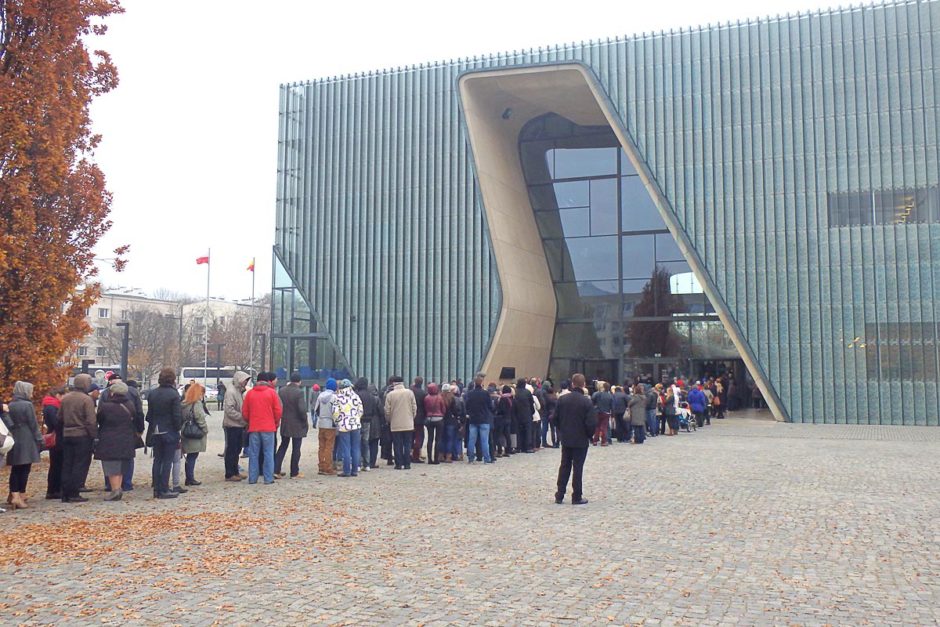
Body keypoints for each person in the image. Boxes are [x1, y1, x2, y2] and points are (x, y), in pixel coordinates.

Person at [93, 380, 142, 501]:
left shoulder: (106, 407)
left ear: (112, 393)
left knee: (111, 465)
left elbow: (99, 420)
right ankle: (118, 488)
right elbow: (137, 418)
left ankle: (115, 490)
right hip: (126, 438)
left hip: (109, 438)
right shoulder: (130, 405)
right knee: (121, 465)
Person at [552, 373, 596, 505]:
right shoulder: (587, 402)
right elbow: (591, 423)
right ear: (583, 385)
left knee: (564, 465)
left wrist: (562, 430)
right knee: (578, 468)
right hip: (581, 439)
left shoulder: (562, 400)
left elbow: (555, 419)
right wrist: (589, 435)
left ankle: (560, 494)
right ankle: (576, 495)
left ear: (572, 384)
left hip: (566, 438)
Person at [4, 381, 43, 510]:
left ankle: (14, 494)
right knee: (24, 468)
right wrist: (39, 439)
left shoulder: (11, 404)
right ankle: (19, 495)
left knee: (16, 468)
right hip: (26, 437)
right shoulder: (27, 405)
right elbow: (33, 424)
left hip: (14, 436)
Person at [145, 368, 182, 499]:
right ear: (173, 379)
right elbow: (177, 416)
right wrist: (178, 428)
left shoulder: (153, 393)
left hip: (155, 429)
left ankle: (156, 488)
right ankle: (164, 488)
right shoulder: (174, 394)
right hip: (169, 430)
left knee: (157, 460)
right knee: (167, 460)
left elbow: (148, 415)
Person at [60, 373, 98, 503]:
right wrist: (94, 436)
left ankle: (65, 492)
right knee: (79, 464)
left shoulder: (65, 398)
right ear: (86, 384)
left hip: (67, 434)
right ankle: (74, 492)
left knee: (67, 463)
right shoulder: (86, 399)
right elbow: (91, 421)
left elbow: (59, 417)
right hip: (82, 435)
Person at [243, 371, 283, 485]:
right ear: (267, 381)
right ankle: (268, 478)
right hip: (268, 428)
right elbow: (278, 411)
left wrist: (249, 421)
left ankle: (252, 478)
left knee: (254, 454)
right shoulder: (272, 393)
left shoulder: (250, 394)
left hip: (254, 427)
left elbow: (245, 412)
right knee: (268, 453)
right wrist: (275, 422)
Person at [274, 372, 308, 479]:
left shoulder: (282, 391)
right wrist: (304, 421)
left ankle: (276, 469)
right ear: (299, 381)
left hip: (285, 422)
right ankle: (294, 472)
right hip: (297, 423)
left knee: (283, 446)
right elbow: (302, 410)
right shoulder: (299, 393)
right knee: (296, 448)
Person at [222, 371, 250, 481]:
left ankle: (235, 471)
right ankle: (229, 473)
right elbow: (229, 410)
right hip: (232, 425)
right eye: (245, 380)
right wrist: (242, 418)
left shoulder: (237, 391)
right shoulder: (231, 392)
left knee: (237, 449)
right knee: (232, 450)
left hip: (238, 424)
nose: (246, 383)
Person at [384, 375, 417, 470]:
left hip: (395, 423)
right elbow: (414, 407)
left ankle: (398, 464)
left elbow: (387, 410)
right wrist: (411, 417)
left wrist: (389, 419)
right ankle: (407, 464)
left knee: (397, 444)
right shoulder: (409, 393)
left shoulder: (390, 394)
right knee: (407, 444)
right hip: (408, 423)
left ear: (393, 383)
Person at [180, 382, 209, 486]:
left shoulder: (184, 403)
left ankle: (189, 477)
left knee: (189, 455)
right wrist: (205, 429)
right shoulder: (196, 404)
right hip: (195, 432)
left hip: (186, 431)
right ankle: (190, 478)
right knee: (193, 455)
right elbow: (199, 418)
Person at [333, 379, 363, 477]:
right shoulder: (356, 396)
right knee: (355, 448)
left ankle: (346, 471)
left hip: (344, 425)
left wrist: (338, 422)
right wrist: (357, 419)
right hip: (355, 425)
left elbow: (335, 412)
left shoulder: (337, 397)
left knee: (346, 448)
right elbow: (361, 410)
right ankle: (354, 470)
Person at [42, 386, 66, 499]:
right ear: (58, 395)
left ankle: (54, 489)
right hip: (57, 438)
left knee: (56, 465)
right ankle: (54, 490)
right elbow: (56, 423)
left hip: (56, 437)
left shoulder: (50, 405)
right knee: (57, 465)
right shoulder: (52, 407)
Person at [464, 375, 494, 464]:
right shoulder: (486, 393)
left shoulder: (470, 393)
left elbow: (467, 406)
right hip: (484, 419)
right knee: (484, 440)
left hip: (473, 419)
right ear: (482, 383)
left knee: (471, 440)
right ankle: (486, 458)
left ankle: (470, 458)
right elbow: (490, 406)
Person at [354, 378, 379, 472]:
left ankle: (358, 464)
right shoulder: (371, 396)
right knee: (365, 442)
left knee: (357, 442)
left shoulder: (357, 395)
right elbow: (374, 410)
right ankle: (367, 464)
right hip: (368, 421)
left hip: (358, 420)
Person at [315, 378, 338, 475]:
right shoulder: (334, 397)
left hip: (321, 423)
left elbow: (316, 409)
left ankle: (321, 466)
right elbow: (335, 412)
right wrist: (336, 422)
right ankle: (328, 467)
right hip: (330, 424)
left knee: (321, 446)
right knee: (329, 447)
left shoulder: (320, 396)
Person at [423, 383, 445, 464]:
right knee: (438, 439)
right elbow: (443, 409)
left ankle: (429, 458)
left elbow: (425, 408)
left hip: (429, 419)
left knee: (430, 439)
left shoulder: (426, 398)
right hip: (439, 419)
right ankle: (436, 458)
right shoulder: (440, 398)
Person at [513, 378, 535, 454]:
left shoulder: (515, 392)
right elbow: (531, 403)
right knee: (528, 430)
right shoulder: (527, 392)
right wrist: (532, 412)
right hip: (527, 414)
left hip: (517, 414)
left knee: (518, 431)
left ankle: (519, 447)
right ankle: (528, 447)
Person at [410, 377, 427, 464]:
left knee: (410, 436)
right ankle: (416, 455)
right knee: (419, 437)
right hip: (420, 418)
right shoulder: (423, 393)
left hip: (410, 417)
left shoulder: (410, 391)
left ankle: (409, 453)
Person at [591, 381, 612, 446]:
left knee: (597, 427)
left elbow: (593, 400)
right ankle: (603, 441)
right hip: (606, 412)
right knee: (604, 427)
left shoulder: (597, 394)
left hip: (598, 411)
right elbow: (612, 405)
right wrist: (612, 414)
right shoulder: (610, 396)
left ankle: (595, 440)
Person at [494, 385, 513, 457]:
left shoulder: (503, 398)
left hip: (502, 419)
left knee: (498, 435)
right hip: (509, 418)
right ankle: (508, 451)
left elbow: (501, 409)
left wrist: (497, 411)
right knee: (507, 435)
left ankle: (499, 451)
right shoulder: (511, 398)